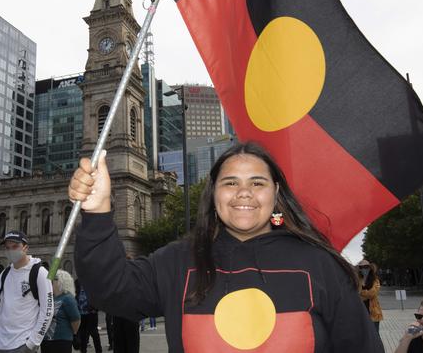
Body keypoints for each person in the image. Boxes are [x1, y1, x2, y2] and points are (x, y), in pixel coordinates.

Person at [68, 144, 383, 352]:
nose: (243, 193)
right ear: (213, 194)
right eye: (230, 182)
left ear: (276, 194)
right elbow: (110, 289)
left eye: (257, 183)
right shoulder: (177, 262)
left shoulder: (319, 265)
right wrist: (97, 213)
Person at [0, 231, 54, 353]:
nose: (11, 251)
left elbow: (47, 310)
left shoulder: (40, 273)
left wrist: (32, 343)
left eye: (15, 246)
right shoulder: (4, 275)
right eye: (7, 248)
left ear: (25, 247)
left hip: (23, 344)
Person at [42, 270, 81, 353]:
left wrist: (72, 333)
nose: (50, 281)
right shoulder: (49, 297)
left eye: (54, 279)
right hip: (46, 340)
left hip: (62, 340)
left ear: (61, 281)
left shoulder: (68, 298)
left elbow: (76, 319)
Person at [358, 260, 383, 332]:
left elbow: (373, 293)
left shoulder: (375, 280)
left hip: (374, 312)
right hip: (361, 312)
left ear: (370, 267)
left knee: (375, 334)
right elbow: (356, 293)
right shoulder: (358, 280)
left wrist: (362, 293)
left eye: (366, 267)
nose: (364, 269)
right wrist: (365, 294)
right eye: (361, 267)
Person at [77, 283, 102, 353]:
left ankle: (99, 351)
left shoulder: (91, 281)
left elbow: (99, 295)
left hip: (91, 314)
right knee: (83, 336)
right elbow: (75, 294)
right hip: (81, 314)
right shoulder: (77, 282)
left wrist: (95, 308)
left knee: (94, 334)